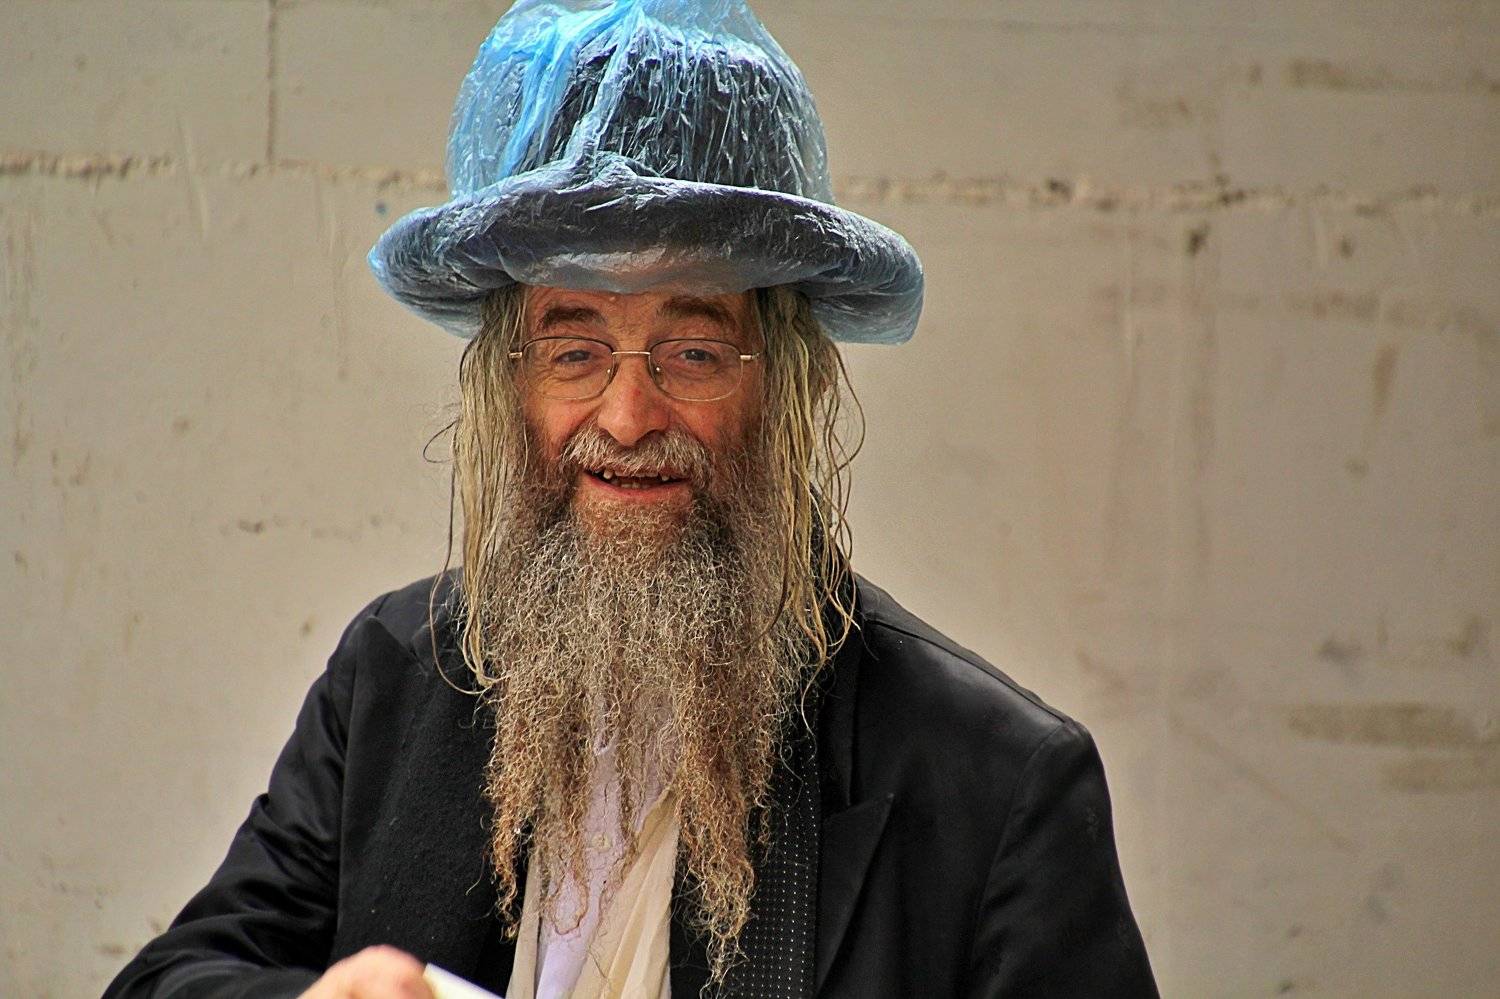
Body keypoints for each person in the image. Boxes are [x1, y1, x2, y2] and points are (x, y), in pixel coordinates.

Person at [105, 1, 1157, 996]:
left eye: (693, 351)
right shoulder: (394, 678)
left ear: (787, 388)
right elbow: (172, 979)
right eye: (574, 350)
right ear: (510, 384)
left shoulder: (996, 785)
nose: (625, 415)